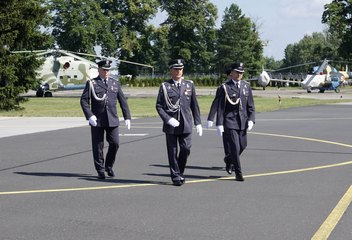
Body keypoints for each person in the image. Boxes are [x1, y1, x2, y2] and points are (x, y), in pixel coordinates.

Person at [80, 59, 131, 179]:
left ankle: (109, 165)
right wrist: (89, 115)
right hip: (97, 119)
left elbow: (123, 101)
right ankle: (100, 169)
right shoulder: (92, 83)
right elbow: (83, 100)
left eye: (108, 70)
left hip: (112, 119)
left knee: (115, 143)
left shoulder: (115, 83)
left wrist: (127, 117)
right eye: (104, 70)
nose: (106, 72)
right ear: (99, 70)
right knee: (98, 146)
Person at [156, 59, 203, 186]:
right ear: (170, 70)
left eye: (180, 69)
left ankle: (179, 171)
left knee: (186, 149)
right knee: (172, 152)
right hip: (171, 125)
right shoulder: (165, 86)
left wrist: (198, 122)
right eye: (176, 69)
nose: (178, 71)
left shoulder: (189, 85)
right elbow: (159, 106)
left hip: (186, 123)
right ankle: (176, 176)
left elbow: (194, 105)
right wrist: (168, 119)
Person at [216, 62, 255, 181]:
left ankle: (229, 159)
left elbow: (251, 106)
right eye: (237, 72)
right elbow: (220, 107)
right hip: (230, 121)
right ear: (231, 73)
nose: (239, 74)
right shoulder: (225, 87)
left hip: (243, 121)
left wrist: (251, 119)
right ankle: (238, 173)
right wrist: (219, 123)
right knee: (234, 146)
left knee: (243, 145)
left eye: (241, 73)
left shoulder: (246, 86)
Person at [207, 68, 232, 164]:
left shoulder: (242, 86)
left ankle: (231, 159)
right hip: (225, 118)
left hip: (237, 119)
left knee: (239, 144)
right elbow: (216, 103)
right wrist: (211, 118)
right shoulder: (223, 87)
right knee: (227, 142)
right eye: (230, 75)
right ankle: (230, 162)